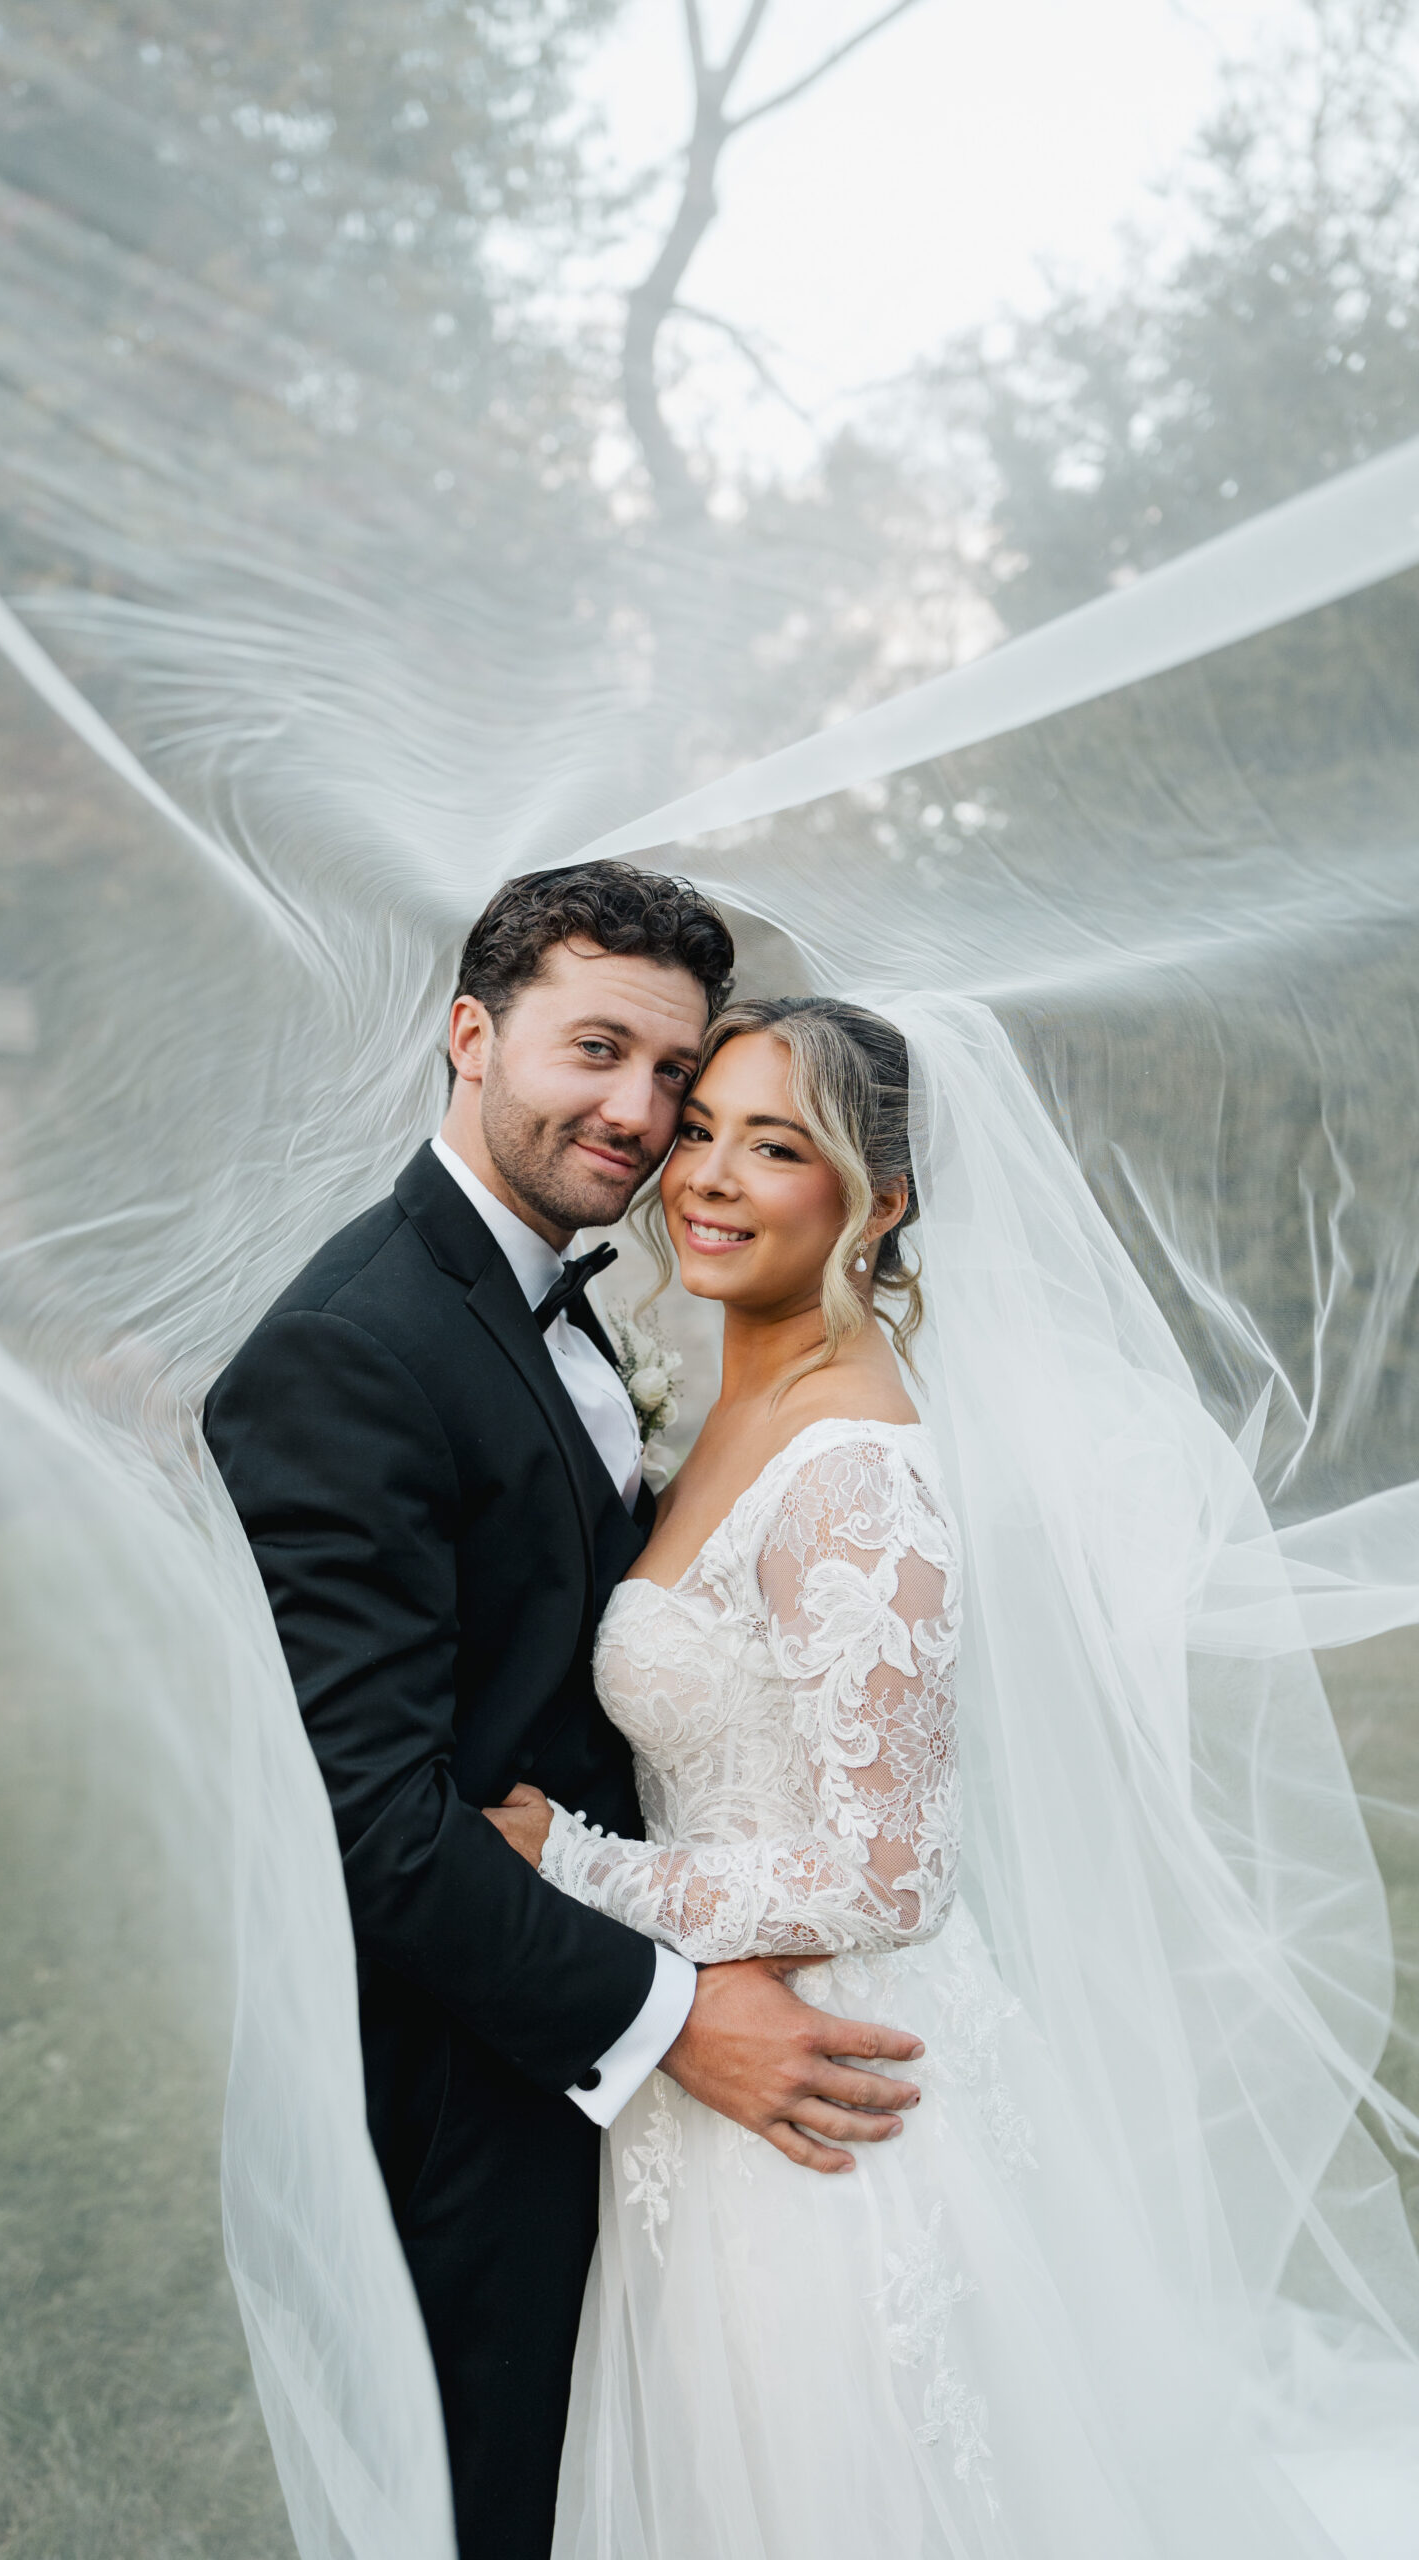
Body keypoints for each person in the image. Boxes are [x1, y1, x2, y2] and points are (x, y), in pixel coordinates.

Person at [486, 995, 1419, 2560]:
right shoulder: (737, 1404)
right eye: (698, 1131)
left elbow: (892, 1871)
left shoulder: (856, 1473)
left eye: (773, 1146)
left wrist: (575, 1869)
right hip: (714, 2059)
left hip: (833, 2089)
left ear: (879, 1201)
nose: (704, 1175)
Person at [201, 870, 926, 2560]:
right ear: (472, 1035)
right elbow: (372, 1825)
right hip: (478, 2081)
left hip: (624, 2065)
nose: (641, 1114)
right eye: (596, 1050)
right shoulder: (351, 1349)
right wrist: (671, 2014)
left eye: (673, 1073)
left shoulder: (559, 1292)